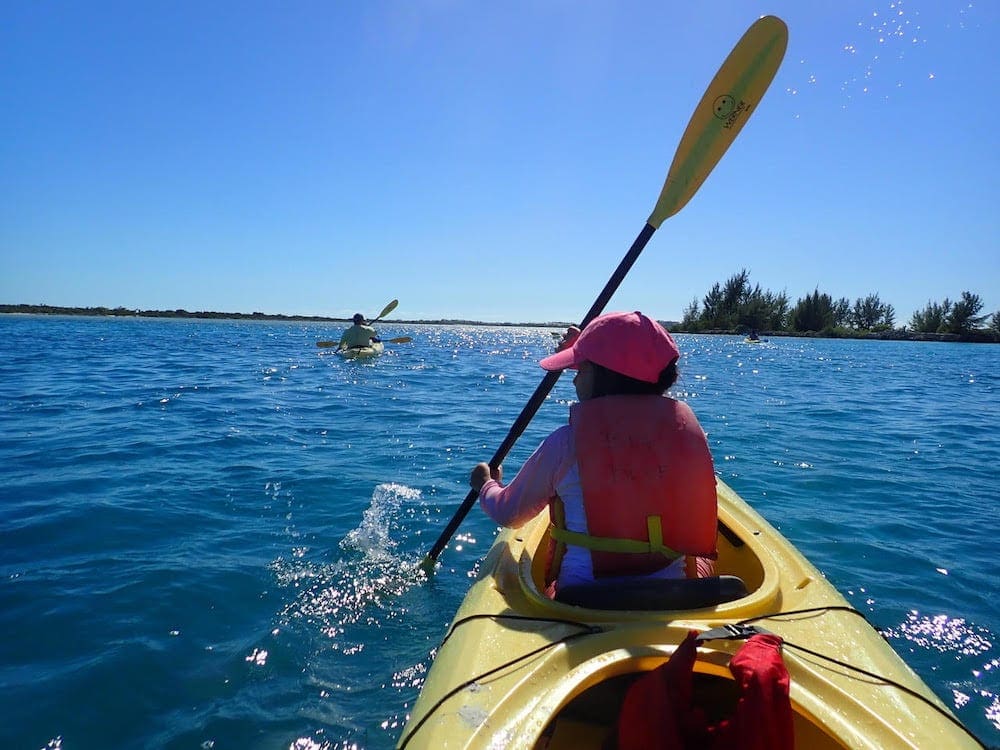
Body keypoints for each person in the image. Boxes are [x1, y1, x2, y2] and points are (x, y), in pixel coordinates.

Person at [469, 311, 718, 599]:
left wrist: (485, 484)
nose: (574, 381)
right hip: (675, 594)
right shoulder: (683, 436)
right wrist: (589, 346)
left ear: (602, 376)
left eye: (581, 369)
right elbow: (628, 364)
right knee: (703, 561)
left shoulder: (565, 444)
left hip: (583, 597)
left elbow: (508, 513)